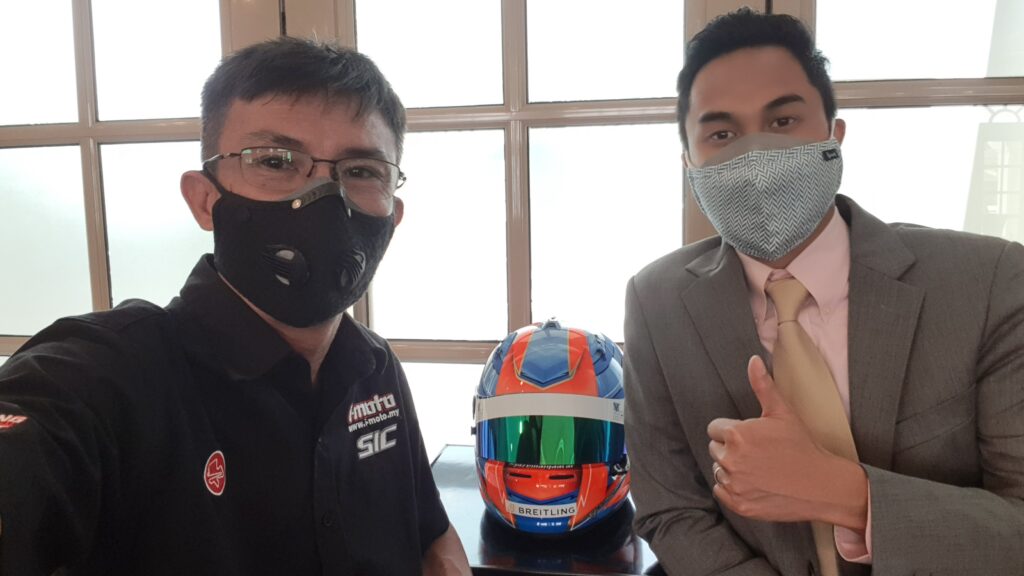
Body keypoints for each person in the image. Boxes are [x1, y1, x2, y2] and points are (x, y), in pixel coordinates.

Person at [0, 37, 471, 575]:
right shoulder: (108, 377)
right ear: (205, 199)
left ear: (393, 214)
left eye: (361, 170)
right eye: (275, 161)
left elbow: (431, 535)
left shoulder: (374, 367)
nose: (323, 196)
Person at [623, 8, 1024, 576]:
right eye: (722, 134)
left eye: (783, 120)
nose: (755, 157)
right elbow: (670, 511)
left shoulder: (986, 283)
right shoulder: (656, 302)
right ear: (690, 165)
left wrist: (843, 492)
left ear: (834, 136)